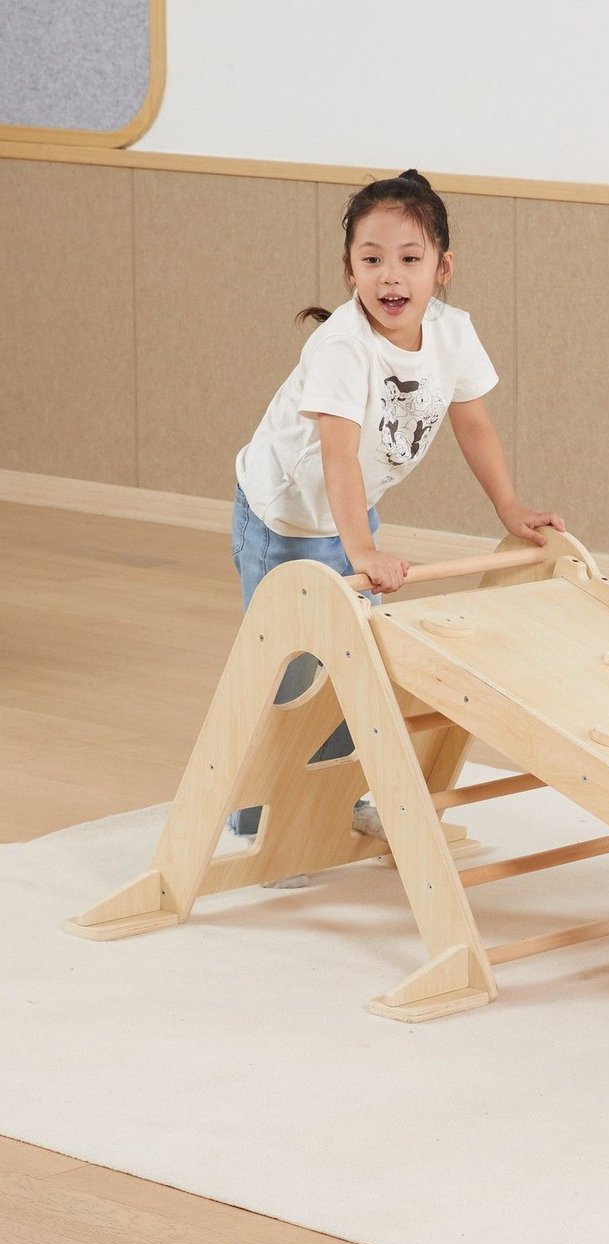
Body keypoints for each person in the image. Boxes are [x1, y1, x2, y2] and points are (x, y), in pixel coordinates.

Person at [229, 169, 564, 874]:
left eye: (410, 258)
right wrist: (362, 550)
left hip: (346, 516)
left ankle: (342, 795)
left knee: (363, 666)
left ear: (442, 268)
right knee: (294, 677)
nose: (391, 275)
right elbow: (337, 455)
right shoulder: (343, 347)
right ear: (348, 269)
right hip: (284, 520)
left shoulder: (451, 332)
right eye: (372, 258)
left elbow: (474, 424)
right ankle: (257, 815)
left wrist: (509, 508)